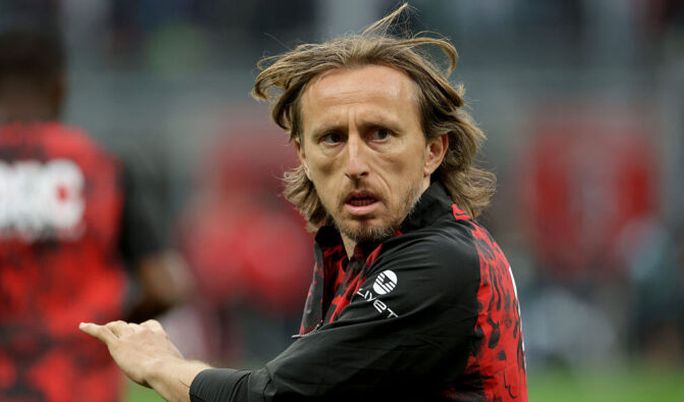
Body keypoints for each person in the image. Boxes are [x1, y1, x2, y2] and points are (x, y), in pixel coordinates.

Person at [80, 4, 528, 401]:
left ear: (433, 150)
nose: (355, 164)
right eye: (332, 138)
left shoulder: (440, 261)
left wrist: (160, 365)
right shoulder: (353, 252)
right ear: (303, 156)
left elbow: (272, 396)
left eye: (380, 134)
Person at [0, 28, 189, 401]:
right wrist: (106, 333)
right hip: (77, 382)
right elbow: (165, 285)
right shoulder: (104, 168)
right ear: (60, 86)